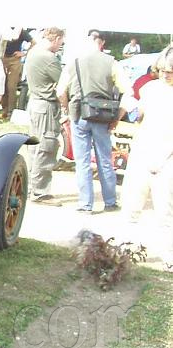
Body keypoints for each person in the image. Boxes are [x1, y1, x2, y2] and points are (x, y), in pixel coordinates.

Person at [56, 30, 134, 214]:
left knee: (82, 161)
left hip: (79, 115)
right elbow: (129, 93)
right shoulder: (112, 63)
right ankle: (110, 202)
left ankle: (85, 204)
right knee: (105, 160)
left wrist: (67, 109)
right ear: (102, 43)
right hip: (103, 117)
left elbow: (60, 92)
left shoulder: (74, 62)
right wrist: (117, 117)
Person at [121, 46, 173, 228]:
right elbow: (139, 114)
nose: (165, 75)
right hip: (143, 150)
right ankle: (125, 242)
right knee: (131, 206)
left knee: (165, 210)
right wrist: (131, 106)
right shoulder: (149, 88)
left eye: (170, 72)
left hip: (168, 156)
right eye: (162, 70)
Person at [25, 27, 65, 205]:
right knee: (46, 147)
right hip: (46, 106)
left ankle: (30, 187)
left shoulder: (34, 52)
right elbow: (63, 83)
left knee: (34, 148)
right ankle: (40, 192)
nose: (61, 45)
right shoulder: (48, 58)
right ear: (56, 39)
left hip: (35, 103)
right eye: (61, 41)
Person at [1, 27, 35, 119]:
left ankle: (11, 111)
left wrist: (24, 53)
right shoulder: (3, 29)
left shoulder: (21, 31)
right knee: (3, 85)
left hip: (14, 59)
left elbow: (34, 42)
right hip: (2, 58)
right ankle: (4, 109)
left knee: (11, 86)